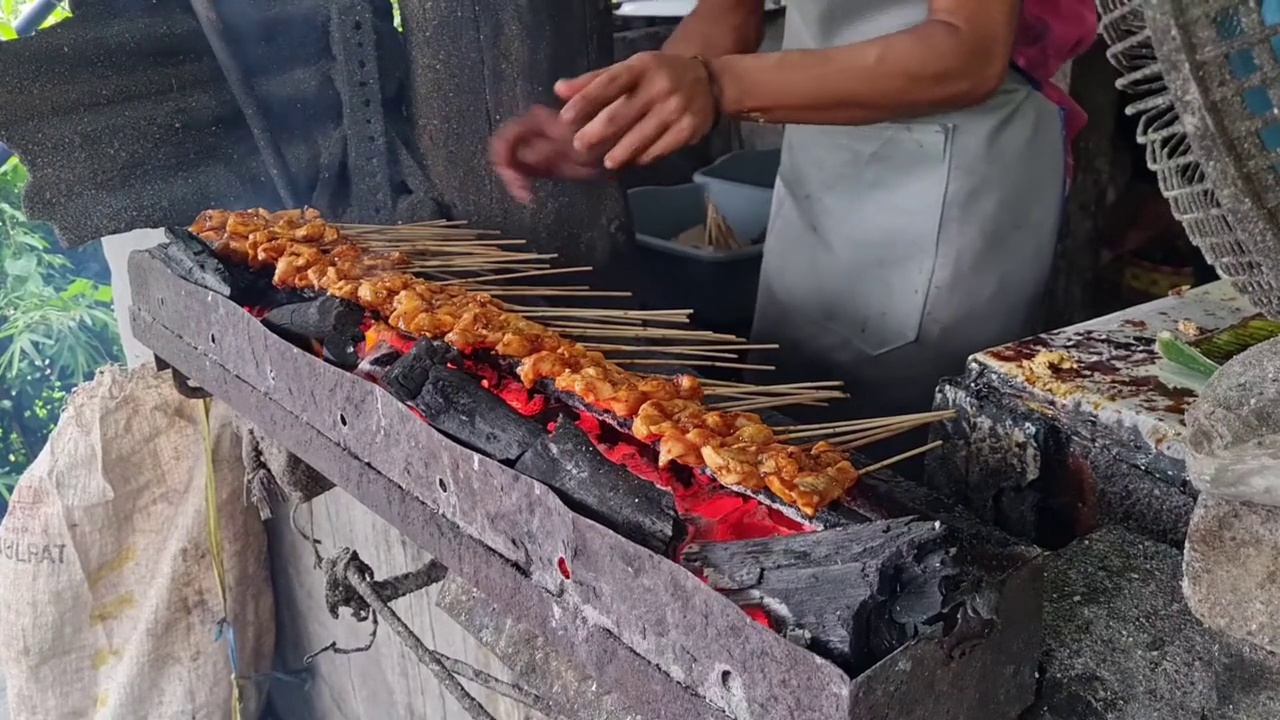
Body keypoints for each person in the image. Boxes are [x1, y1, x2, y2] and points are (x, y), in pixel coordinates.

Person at [490, 0, 1098, 422]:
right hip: (827, 151)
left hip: (957, 169)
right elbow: (729, 15)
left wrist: (716, 86)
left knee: (920, 441)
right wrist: (610, 122)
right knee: (791, 402)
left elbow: (967, 52)